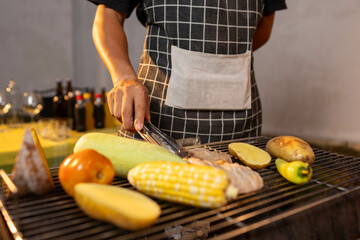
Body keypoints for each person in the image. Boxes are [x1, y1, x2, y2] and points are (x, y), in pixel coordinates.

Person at [89, 0, 287, 144]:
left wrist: (217, 60)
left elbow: (265, 24)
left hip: (240, 128)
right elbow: (109, 15)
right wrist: (124, 78)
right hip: (159, 121)